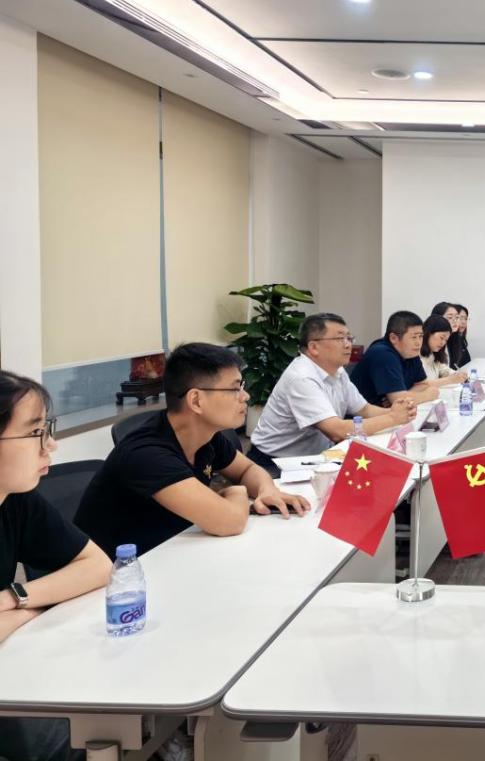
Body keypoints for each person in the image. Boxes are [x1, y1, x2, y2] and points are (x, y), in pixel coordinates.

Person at [75, 344, 312, 558]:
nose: (245, 396)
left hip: (175, 551)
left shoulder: (206, 435)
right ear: (196, 400)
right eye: (234, 389)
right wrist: (236, 491)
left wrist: (267, 490)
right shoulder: (146, 453)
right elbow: (230, 521)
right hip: (120, 578)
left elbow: (247, 468)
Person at [0, 370, 111, 761]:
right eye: (35, 432)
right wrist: (34, 608)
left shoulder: (15, 499)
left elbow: (98, 566)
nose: (51, 445)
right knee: (75, 730)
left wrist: (15, 598)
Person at [248, 314, 416, 465]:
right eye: (340, 339)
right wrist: (393, 417)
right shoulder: (302, 378)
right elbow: (337, 431)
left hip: (317, 456)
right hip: (275, 463)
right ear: (314, 347)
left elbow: (364, 409)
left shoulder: (337, 371)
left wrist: (398, 411)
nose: (348, 345)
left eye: (349, 338)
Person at [350, 311, 441, 407]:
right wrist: (428, 395)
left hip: (388, 412)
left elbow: (422, 384)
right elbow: (399, 400)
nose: (418, 343)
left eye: (420, 336)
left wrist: (404, 396)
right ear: (394, 338)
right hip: (364, 415)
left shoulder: (411, 352)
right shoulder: (382, 354)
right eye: (414, 337)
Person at [419, 315, 469, 388]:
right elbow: (420, 385)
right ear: (428, 333)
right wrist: (449, 380)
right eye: (441, 337)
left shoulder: (432, 354)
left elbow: (443, 370)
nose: (443, 343)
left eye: (446, 340)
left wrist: (457, 375)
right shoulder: (414, 355)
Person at [448, 303, 472, 370]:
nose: (464, 322)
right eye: (460, 318)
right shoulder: (448, 340)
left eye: (466, 319)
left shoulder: (461, 339)